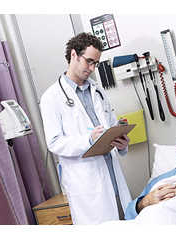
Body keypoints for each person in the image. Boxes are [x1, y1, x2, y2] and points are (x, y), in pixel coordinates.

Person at [40, 32, 132, 225]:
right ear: (74, 54)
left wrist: (122, 143)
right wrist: (88, 139)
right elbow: (54, 143)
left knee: (124, 223)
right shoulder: (51, 97)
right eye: (89, 61)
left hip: (112, 176)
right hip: (86, 183)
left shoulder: (97, 90)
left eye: (95, 64)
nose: (92, 68)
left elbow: (112, 125)